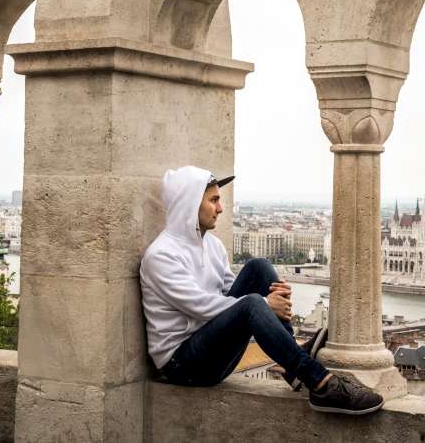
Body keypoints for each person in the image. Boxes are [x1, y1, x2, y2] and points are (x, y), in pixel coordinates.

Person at [140, 165, 384, 415]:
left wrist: (272, 296)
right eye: (213, 200)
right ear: (189, 204)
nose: (221, 208)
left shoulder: (211, 245)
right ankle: (321, 383)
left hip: (209, 347)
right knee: (253, 304)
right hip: (183, 364)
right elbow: (202, 307)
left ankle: (292, 364)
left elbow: (226, 292)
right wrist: (266, 305)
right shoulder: (161, 256)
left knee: (260, 268)